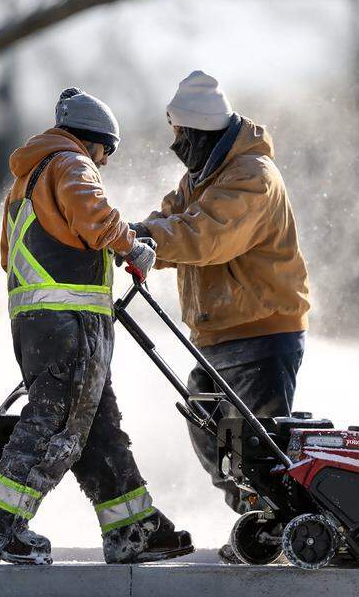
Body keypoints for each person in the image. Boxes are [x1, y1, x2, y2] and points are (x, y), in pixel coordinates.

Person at [0, 88, 192, 565]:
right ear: (97, 141)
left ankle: (134, 529)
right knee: (57, 424)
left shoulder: (26, 180)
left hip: (38, 322)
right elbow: (94, 215)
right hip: (70, 322)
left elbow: (10, 256)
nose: (104, 164)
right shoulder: (71, 163)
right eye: (108, 152)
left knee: (98, 429)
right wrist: (130, 246)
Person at [130, 71, 310, 563]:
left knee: (258, 444)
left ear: (197, 132)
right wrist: (130, 237)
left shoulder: (253, 176)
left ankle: (285, 526)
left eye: (178, 136)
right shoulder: (198, 180)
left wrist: (141, 240)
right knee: (212, 432)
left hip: (261, 329)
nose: (174, 146)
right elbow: (170, 220)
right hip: (213, 335)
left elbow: (207, 236)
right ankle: (259, 518)